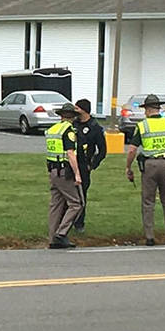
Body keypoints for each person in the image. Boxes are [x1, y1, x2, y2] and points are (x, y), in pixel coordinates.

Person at [124, 94, 165, 246]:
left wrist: (128, 167)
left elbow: (132, 150)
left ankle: (150, 237)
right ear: (158, 108)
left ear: (147, 109)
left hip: (149, 166)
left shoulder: (143, 126)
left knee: (148, 202)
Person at [44, 102, 83, 249]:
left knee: (56, 205)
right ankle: (61, 233)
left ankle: (52, 239)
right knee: (76, 203)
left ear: (61, 116)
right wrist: (77, 174)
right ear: (73, 117)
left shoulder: (53, 130)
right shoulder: (69, 131)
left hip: (53, 171)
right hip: (63, 172)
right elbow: (70, 153)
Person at [72, 98, 106, 233]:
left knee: (81, 196)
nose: (75, 111)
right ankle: (65, 222)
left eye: (77, 108)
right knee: (68, 195)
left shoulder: (94, 127)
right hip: (70, 163)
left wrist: (92, 165)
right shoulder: (73, 124)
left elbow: (102, 150)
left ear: (84, 110)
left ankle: (79, 223)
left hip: (84, 165)